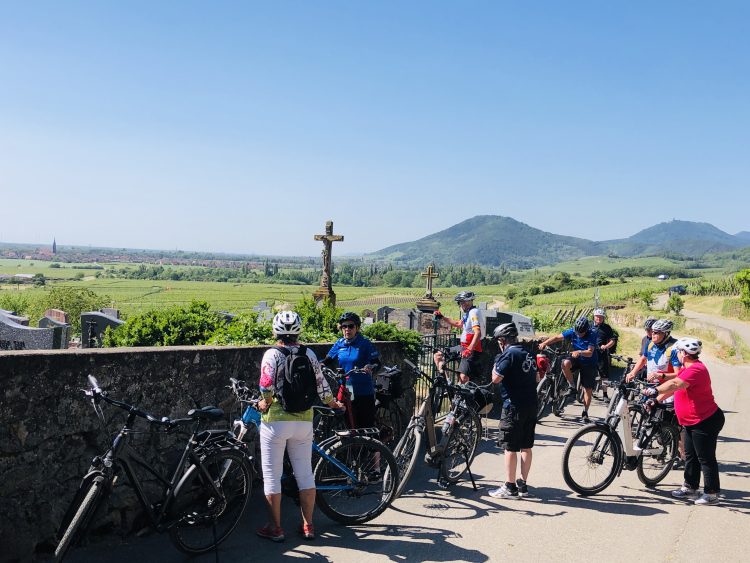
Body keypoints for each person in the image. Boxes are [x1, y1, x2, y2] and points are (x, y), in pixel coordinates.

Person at [256, 311, 344, 542]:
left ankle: (276, 529)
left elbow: (265, 385)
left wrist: (265, 401)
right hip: (304, 421)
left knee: (272, 477)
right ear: (298, 331)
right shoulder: (310, 353)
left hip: (275, 422)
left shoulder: (271, 354)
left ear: (276, 332)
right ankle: (308, 525)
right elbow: (322, 386)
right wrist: (334, 403)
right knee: (305, 474)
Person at [642, 337, 724, 505]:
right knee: (690, 455)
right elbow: (674, 388)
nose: (677, 354)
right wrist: (656, 400)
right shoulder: (687, 369)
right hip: (691, 421)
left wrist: (654, 390)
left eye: (678, 352)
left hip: (705, 420)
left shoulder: (696, 370)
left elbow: (674, 384)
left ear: (684, 354)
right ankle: (690, 486)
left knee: (705, 458)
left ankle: (712, 493)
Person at [488, 323, 538, 500]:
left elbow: (495, 379)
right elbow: (537, 377)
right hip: (532, 404)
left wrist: (496, 363)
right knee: (526, 445)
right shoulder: (529, 353)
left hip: (514, 405)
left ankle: (509, 487)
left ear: (502, 340)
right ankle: (522, 485)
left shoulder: (508, 354)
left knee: (510, 447)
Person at [322, 312, 381, 428]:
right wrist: (320, 364)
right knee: (349, 422)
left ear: (357, 328)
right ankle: (351, 446)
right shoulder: (339, 343)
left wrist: (370, 367)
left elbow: (377, 363)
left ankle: (370, 446)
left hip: (363, 389)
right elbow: (327, 359)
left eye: (350, 326)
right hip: (347, 388)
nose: (347, 329)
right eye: (344, 326)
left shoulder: (365, 344)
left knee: (365, 425)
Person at [538, 317, 597, 423]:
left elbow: (590, 352)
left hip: (589, 362)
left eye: (581, 333)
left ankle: (585, 412)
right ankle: (572, 386)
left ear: (586, 330)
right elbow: (557, 337)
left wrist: (579, 351)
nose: (579, 334)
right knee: (565, 363)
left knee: (587, 389)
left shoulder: (592, 334)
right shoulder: (573, 331)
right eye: (577, 332)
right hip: (576, 358)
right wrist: (545, 343)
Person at [433, 291, 483, 383]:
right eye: (460, 302)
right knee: (438, 355)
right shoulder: (467, 314)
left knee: (463, 378)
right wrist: (442, 317)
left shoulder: (473, 312)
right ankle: (447, 381)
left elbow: (478, 333)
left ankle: (462, 395)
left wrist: (469, 350)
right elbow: (458, 324)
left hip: (472, 349)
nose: (461, 305)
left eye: (462, 302)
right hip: (461, 347)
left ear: (469, 302)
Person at [626, 319, 680, 384]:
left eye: (656, 332)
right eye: (652, 331)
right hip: (650, 384)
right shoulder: (650, 343)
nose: (652, 334)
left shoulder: (674, 348)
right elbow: (643, 359)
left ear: (666, 333)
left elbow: (679, 375)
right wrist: (633, 372)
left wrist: (660, 375)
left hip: (666, 388)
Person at [592, 308, 617, 397]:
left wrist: (606, 346)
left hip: (600, 352)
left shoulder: (607, 328)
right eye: (597, 316)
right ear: (594, 317)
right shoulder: (589, 326)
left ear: (603, 318)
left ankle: (605, 394)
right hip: (589, 352)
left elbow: (613, 340)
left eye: (601, 317)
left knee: (604, 375)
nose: (599, 318)